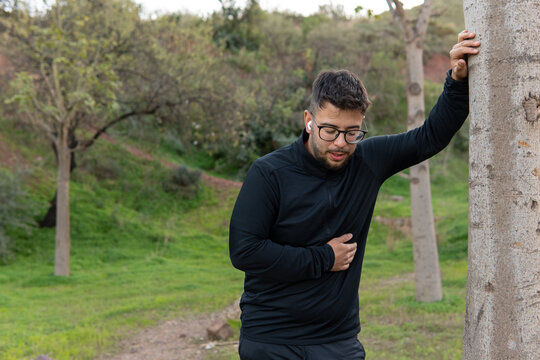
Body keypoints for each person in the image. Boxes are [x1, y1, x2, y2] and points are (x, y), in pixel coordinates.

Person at [229, 30, 481, 360]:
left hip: (337, 340)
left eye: (351, 133)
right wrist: (324, 258)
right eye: (329, 130)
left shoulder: (367, 161)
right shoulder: (269, 172)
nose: (340, 143)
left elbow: (429, 137)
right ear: (309, 121)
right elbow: (245, 251)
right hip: (271, 338)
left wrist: (457, 80)